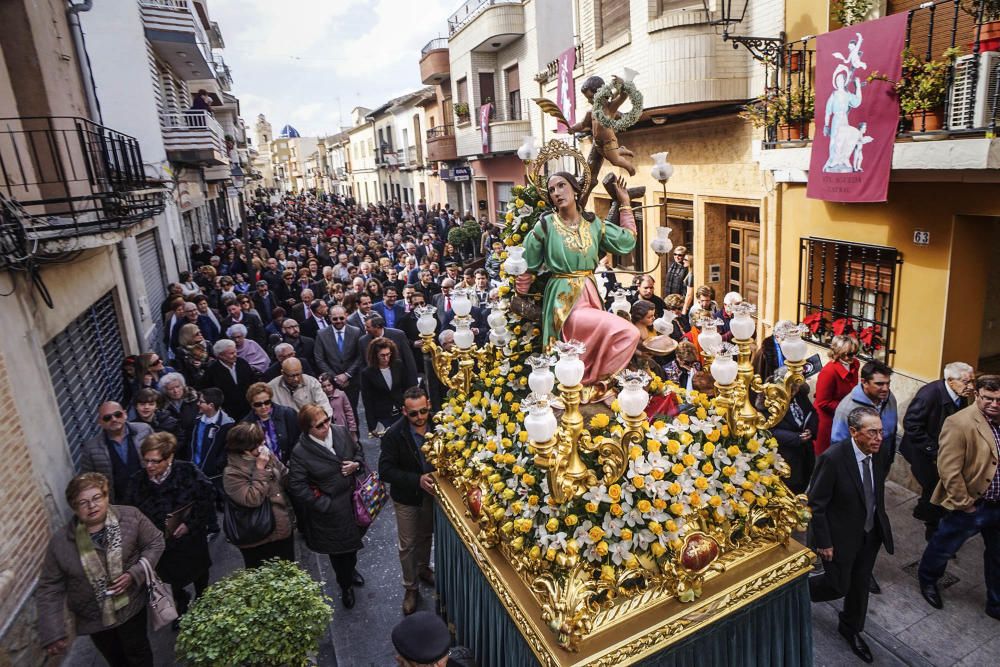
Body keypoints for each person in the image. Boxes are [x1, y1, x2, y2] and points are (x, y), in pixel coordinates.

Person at [516, 172, 640, 390]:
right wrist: (519, 296)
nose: (556, 193)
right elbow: (526, 263)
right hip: (563, 302)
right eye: (551, 190)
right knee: (628, 332)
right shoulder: (545, 226)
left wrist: (625, 204)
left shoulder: (593, 225)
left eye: (561, 186)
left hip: (590, 293)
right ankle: (596, 383)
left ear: (575, 190)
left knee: (597, 343)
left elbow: (627, 240)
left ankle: (593, 383)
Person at [36, 473, 165, 666]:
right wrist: (53, 632)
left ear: (106, 497)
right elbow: (49, 587)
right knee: (116, 660)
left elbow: (155, 542)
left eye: (97, 497)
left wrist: (134, 573)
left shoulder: (131, 516)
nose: (92, 505)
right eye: (83, 502)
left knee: (138, 653)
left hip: (131, 606)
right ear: (74, 507)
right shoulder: (60, 543)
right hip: (94, 617)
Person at [807, 406, 894, 664]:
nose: (879, 437)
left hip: (869, 535)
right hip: (840, 539)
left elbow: (874, 491)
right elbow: (816, 504)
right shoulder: (833, 459)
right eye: (872, 432)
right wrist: (824, 542)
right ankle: (797, 592)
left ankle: (851, 629)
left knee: (859, 586)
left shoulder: (878, 452)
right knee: (837, 586)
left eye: (881, 431)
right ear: (854, 432)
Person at [917, 375, 1000, 619]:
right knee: (944, 547)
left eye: (999, 399)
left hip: (998, 505)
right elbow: (949, 469)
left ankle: (995, 603)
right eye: (988, 398)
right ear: (977, 395)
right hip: (972, 506)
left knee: (998, 556)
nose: (994, 404)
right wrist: (966, 505)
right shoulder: (960, 423)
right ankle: (928, 580)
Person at [123, 433, 216, 626]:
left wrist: (189, 524)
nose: (149, 466)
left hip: (190, 541)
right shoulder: (136, 482)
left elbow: (207, 497)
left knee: (198, 572)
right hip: (160, 547)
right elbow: (130, 514)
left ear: (169, 458)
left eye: (155, 461)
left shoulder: (187, 472)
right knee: (169, 581)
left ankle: (203, 601)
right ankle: (180, 605)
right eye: (146, 460)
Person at [288, 404, 367, 609]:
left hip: (353, 504)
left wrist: (355, 465)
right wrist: (323, 504)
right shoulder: (300, 452)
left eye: (327, 420)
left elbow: (359, 452)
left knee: (352, 547)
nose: (326, 426)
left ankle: (350, 571)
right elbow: (297, 485)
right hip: (331, 512)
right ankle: (345, 585)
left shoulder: (340, 431)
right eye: (319, 425)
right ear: (308, 429)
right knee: (338, 552)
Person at [902, 362, 975, 540]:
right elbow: (911, 425)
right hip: (923, 452)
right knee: (934, 486)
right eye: (966, 382)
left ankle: (924, 512)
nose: (971, 387)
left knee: (935, 487)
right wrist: (934, 450)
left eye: (972, 381)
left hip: (943, 451)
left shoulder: (960, 393)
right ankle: (932, 529)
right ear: (950, 380)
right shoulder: (929, 395)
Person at [380, 386, 436, 615]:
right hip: (407, 498)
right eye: (414, 413)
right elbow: (385, 470)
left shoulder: (439, 425)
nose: (420, 417)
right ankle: (410, 587)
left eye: (423, 411)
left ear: (429, 406)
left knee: (426, 535)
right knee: (408, 544)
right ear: (404, 411)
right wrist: (417, 480)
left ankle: (423, 568)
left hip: (431, 495)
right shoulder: (395, 434)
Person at [222, 422, 297, 568]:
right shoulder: (232, 473)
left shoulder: (266, 456)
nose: (263, 447)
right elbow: (252, 499)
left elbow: (284, 476)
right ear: (245, 450)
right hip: (256, 536)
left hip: (281, 529)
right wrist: (260, 469)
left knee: (288, 572)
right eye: (258, 445)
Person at [832, 360, 898, 473]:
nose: (886, 388)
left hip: (883, 461)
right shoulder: (847, 408)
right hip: (858, 466)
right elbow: (838, 443)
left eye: (888, 383)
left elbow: (892, 433)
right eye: (879, 384)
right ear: (864, 382)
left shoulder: (889, 398)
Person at [80, 402, 154, 502]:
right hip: (120, 501)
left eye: (117, 415)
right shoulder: (91, 448)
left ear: (125, 414)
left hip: (151, 493)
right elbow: (89, 481)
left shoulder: (144, 430)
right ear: (100, 422)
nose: (114, 419)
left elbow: (160, 455)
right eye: (107, 418)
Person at [181, 387, 234, 497]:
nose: (198, 404)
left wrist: (216, 466)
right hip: (193, 470)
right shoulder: (196, 421)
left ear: (211, 406)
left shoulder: (226, 425)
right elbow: (189, 443)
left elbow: (226, 450)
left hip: (212, 476)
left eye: (201, 402)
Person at [813, 335, 860, 456]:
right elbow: (822, 402)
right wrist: (848, 408)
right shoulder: (828, 372)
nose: (853, 357)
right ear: (839, 354)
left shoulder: (855, 364)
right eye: (849, 354)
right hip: (828, 421)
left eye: (855, 352)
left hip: (845, 418)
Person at [769, 378, 818, 494]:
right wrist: (796, 437)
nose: (794, 392)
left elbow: (811, 412)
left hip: (805, 452)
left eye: (796, 388)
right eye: (791, 389)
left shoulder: (799, 395)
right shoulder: (771, 403)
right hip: (786, 455)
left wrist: (811, 429)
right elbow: (769, 430)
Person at [314, 305, 365, 412]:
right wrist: (335, 377)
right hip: (332, 383)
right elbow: (319, 358)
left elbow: (360, 355)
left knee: (352, 411)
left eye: (341, 318)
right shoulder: (321, 334)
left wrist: (347, 375)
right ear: (329, 317)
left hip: (352, 381)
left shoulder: (356, 331)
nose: (338, 321)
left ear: (346, 316)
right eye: (335, 318)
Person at [242, 382, 300, 463]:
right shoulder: (246, 424)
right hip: (264, 468)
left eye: (267, 402)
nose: (263, 407)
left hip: (290, 463)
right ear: (251, 405)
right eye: (258, 404)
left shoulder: (287, 414)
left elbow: (297, 440)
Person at [199, 338, 257, 419]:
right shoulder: (212, 371)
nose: (235, 355)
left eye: (235, 351)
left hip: (248, 409)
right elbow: (206, 391)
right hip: (227, 413)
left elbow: (253, 382)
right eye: (231, 353)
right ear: (220, 355)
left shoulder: (242, 363)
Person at [361, 337, 406, 436]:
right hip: (383, 417)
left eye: (388, 354)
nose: (386, 358)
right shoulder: (367, 373)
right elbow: (367, 400)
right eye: (382, 355)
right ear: (375, 355)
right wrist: (372, 425)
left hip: (401, 412)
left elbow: (405, 388)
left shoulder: (398, 365)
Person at [267, 357, 332, 415]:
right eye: (292, 376)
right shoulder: (271, 388)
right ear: (283, 373)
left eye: (298, 374)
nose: (296, 379)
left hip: (310, 424)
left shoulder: (312, 382)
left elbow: (325, 406)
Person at [319, 372, 359, 439]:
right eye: (324, 386)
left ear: (333, 384)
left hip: (341, 426)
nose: (327, 388)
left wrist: (352, 428)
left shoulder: (341, 394)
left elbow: (349, 412)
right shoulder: (321, 398)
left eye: (329, 385)